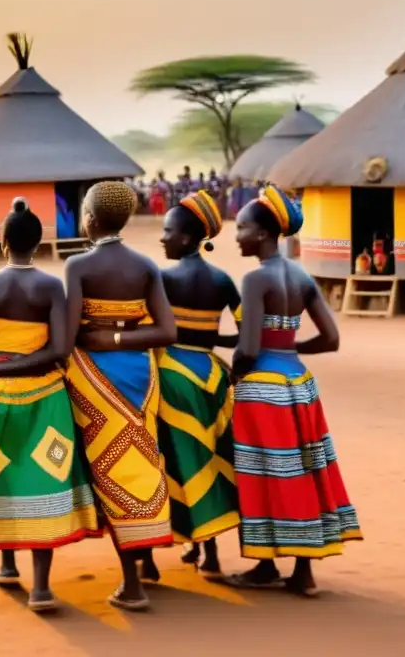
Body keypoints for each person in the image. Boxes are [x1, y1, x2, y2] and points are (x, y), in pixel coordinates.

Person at [0, 198, 99, 613]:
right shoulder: (51, 287)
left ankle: (7, 566)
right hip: (43, 398)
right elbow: (61, 348)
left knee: (2, 476)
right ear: (39, 243)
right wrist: (20, 363)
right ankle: (41, 589)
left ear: (2, 242)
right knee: (41, 480)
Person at [226, 185, 362, 596]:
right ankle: (303, 571)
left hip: (262, 392)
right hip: (300, 387)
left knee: (260, 475)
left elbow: (247, 347)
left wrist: (236, 375)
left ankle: (265, 565)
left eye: (244, 227)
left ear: (265, 234)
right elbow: (331, 339)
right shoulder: (302, 276)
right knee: (304, 470)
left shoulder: (255, 279)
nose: (237, 235)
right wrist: (289, 349)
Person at [64, 181, 177, 611]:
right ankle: (145, 561)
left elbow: (72, 332)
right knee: (140, 460)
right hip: (140, 375)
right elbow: (166, 331)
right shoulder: (146, 266)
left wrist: (103, 338)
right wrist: (122, 336)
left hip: (94, 374)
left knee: (110, 471)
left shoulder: (78, 267)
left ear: (90, 219)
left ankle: (133, 585)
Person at [141, 190, 240, 582]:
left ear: (185, 238)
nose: (162, 239)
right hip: (211, 376)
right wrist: (213, 345)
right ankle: (210, 554)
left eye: (167, 232)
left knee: (173, 459)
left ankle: (182, 542)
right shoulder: (222, 279)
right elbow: (247, 329)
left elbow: (149, 328)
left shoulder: (163, 278)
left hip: (171, 375)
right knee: (208, 459)